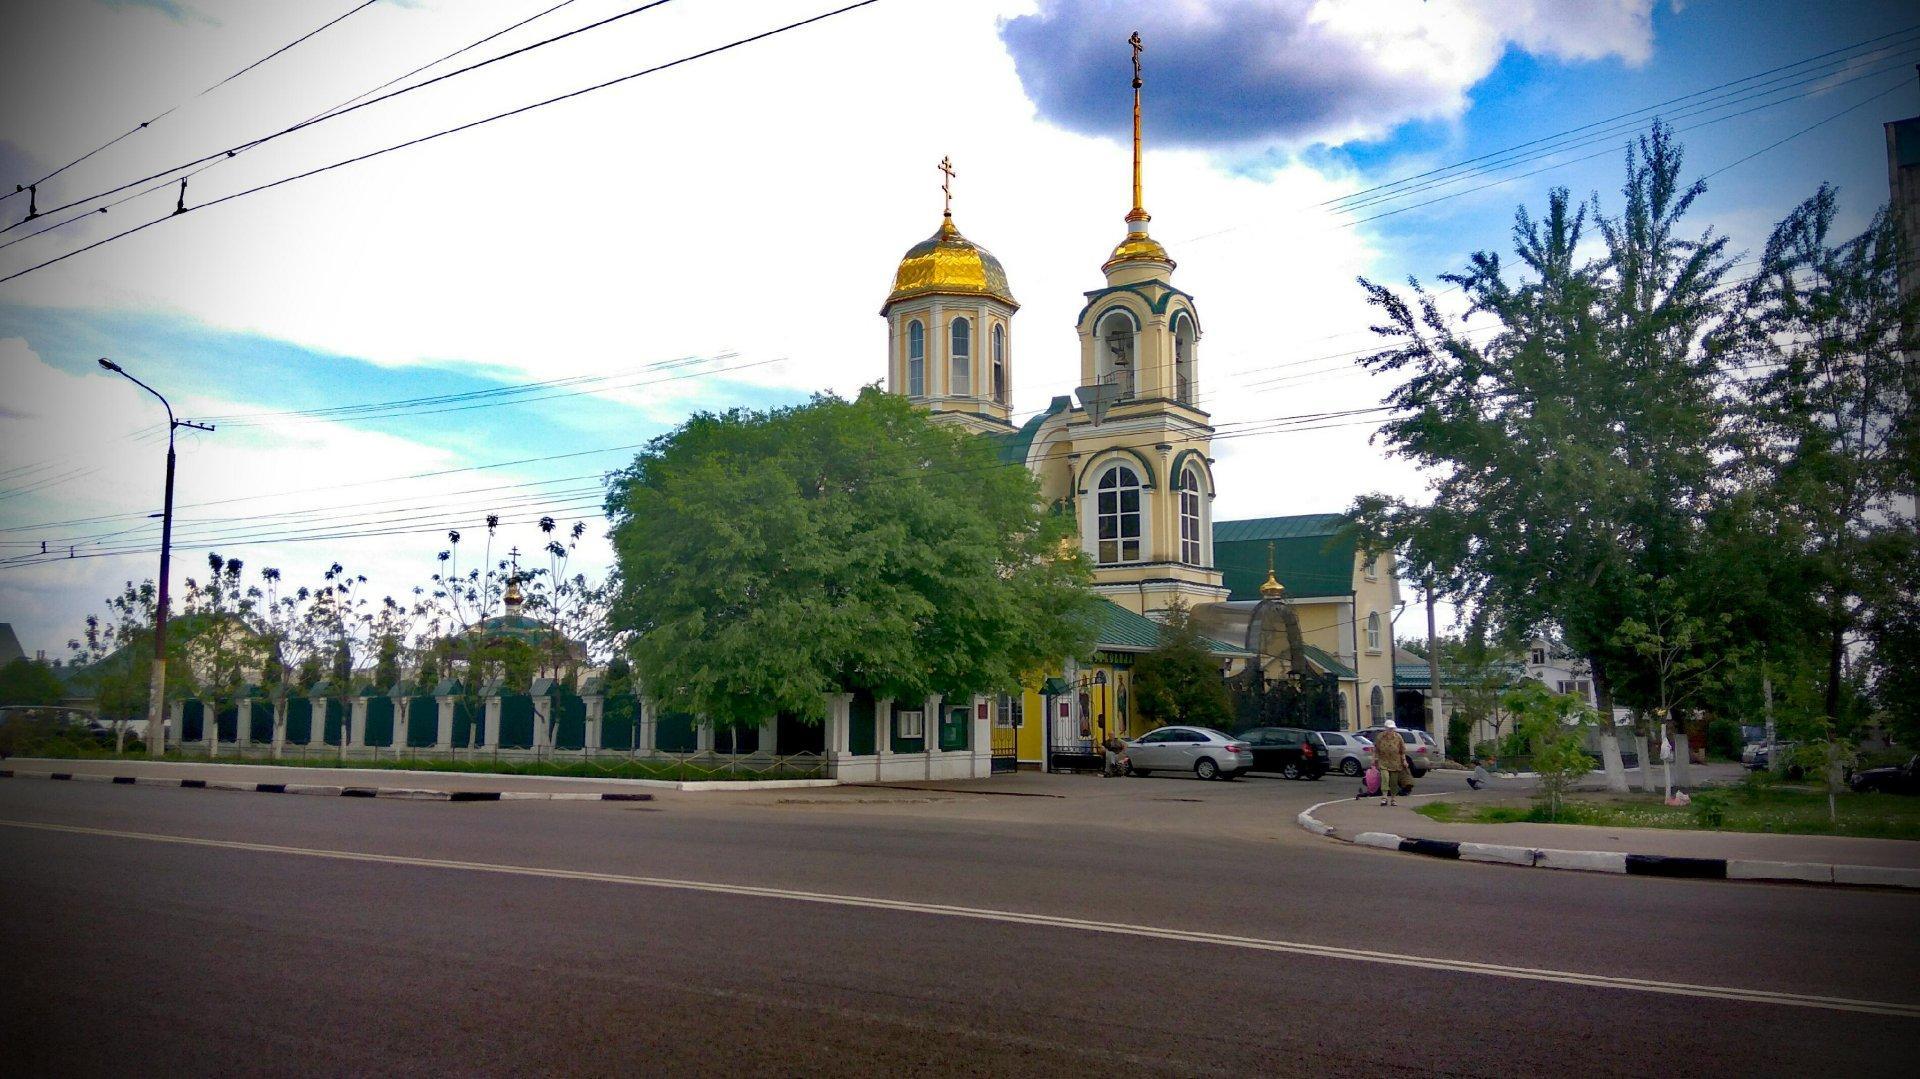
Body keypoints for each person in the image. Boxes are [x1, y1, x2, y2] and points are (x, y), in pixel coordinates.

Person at [1373, 720, 1408, 807]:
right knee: (1385, 778)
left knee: (1393, 781)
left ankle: (1393, 798)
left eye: (1392, 728)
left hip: (1395, 762)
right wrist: (1374, 759)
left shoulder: (1398, 737)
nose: (1390, 730)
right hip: (1383, 761)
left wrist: (1404, 760)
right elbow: (1376, 749)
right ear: (1385, 728)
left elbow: (1402, 750)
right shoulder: (1380, 737)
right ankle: (1384, 798)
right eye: (1389, 728)